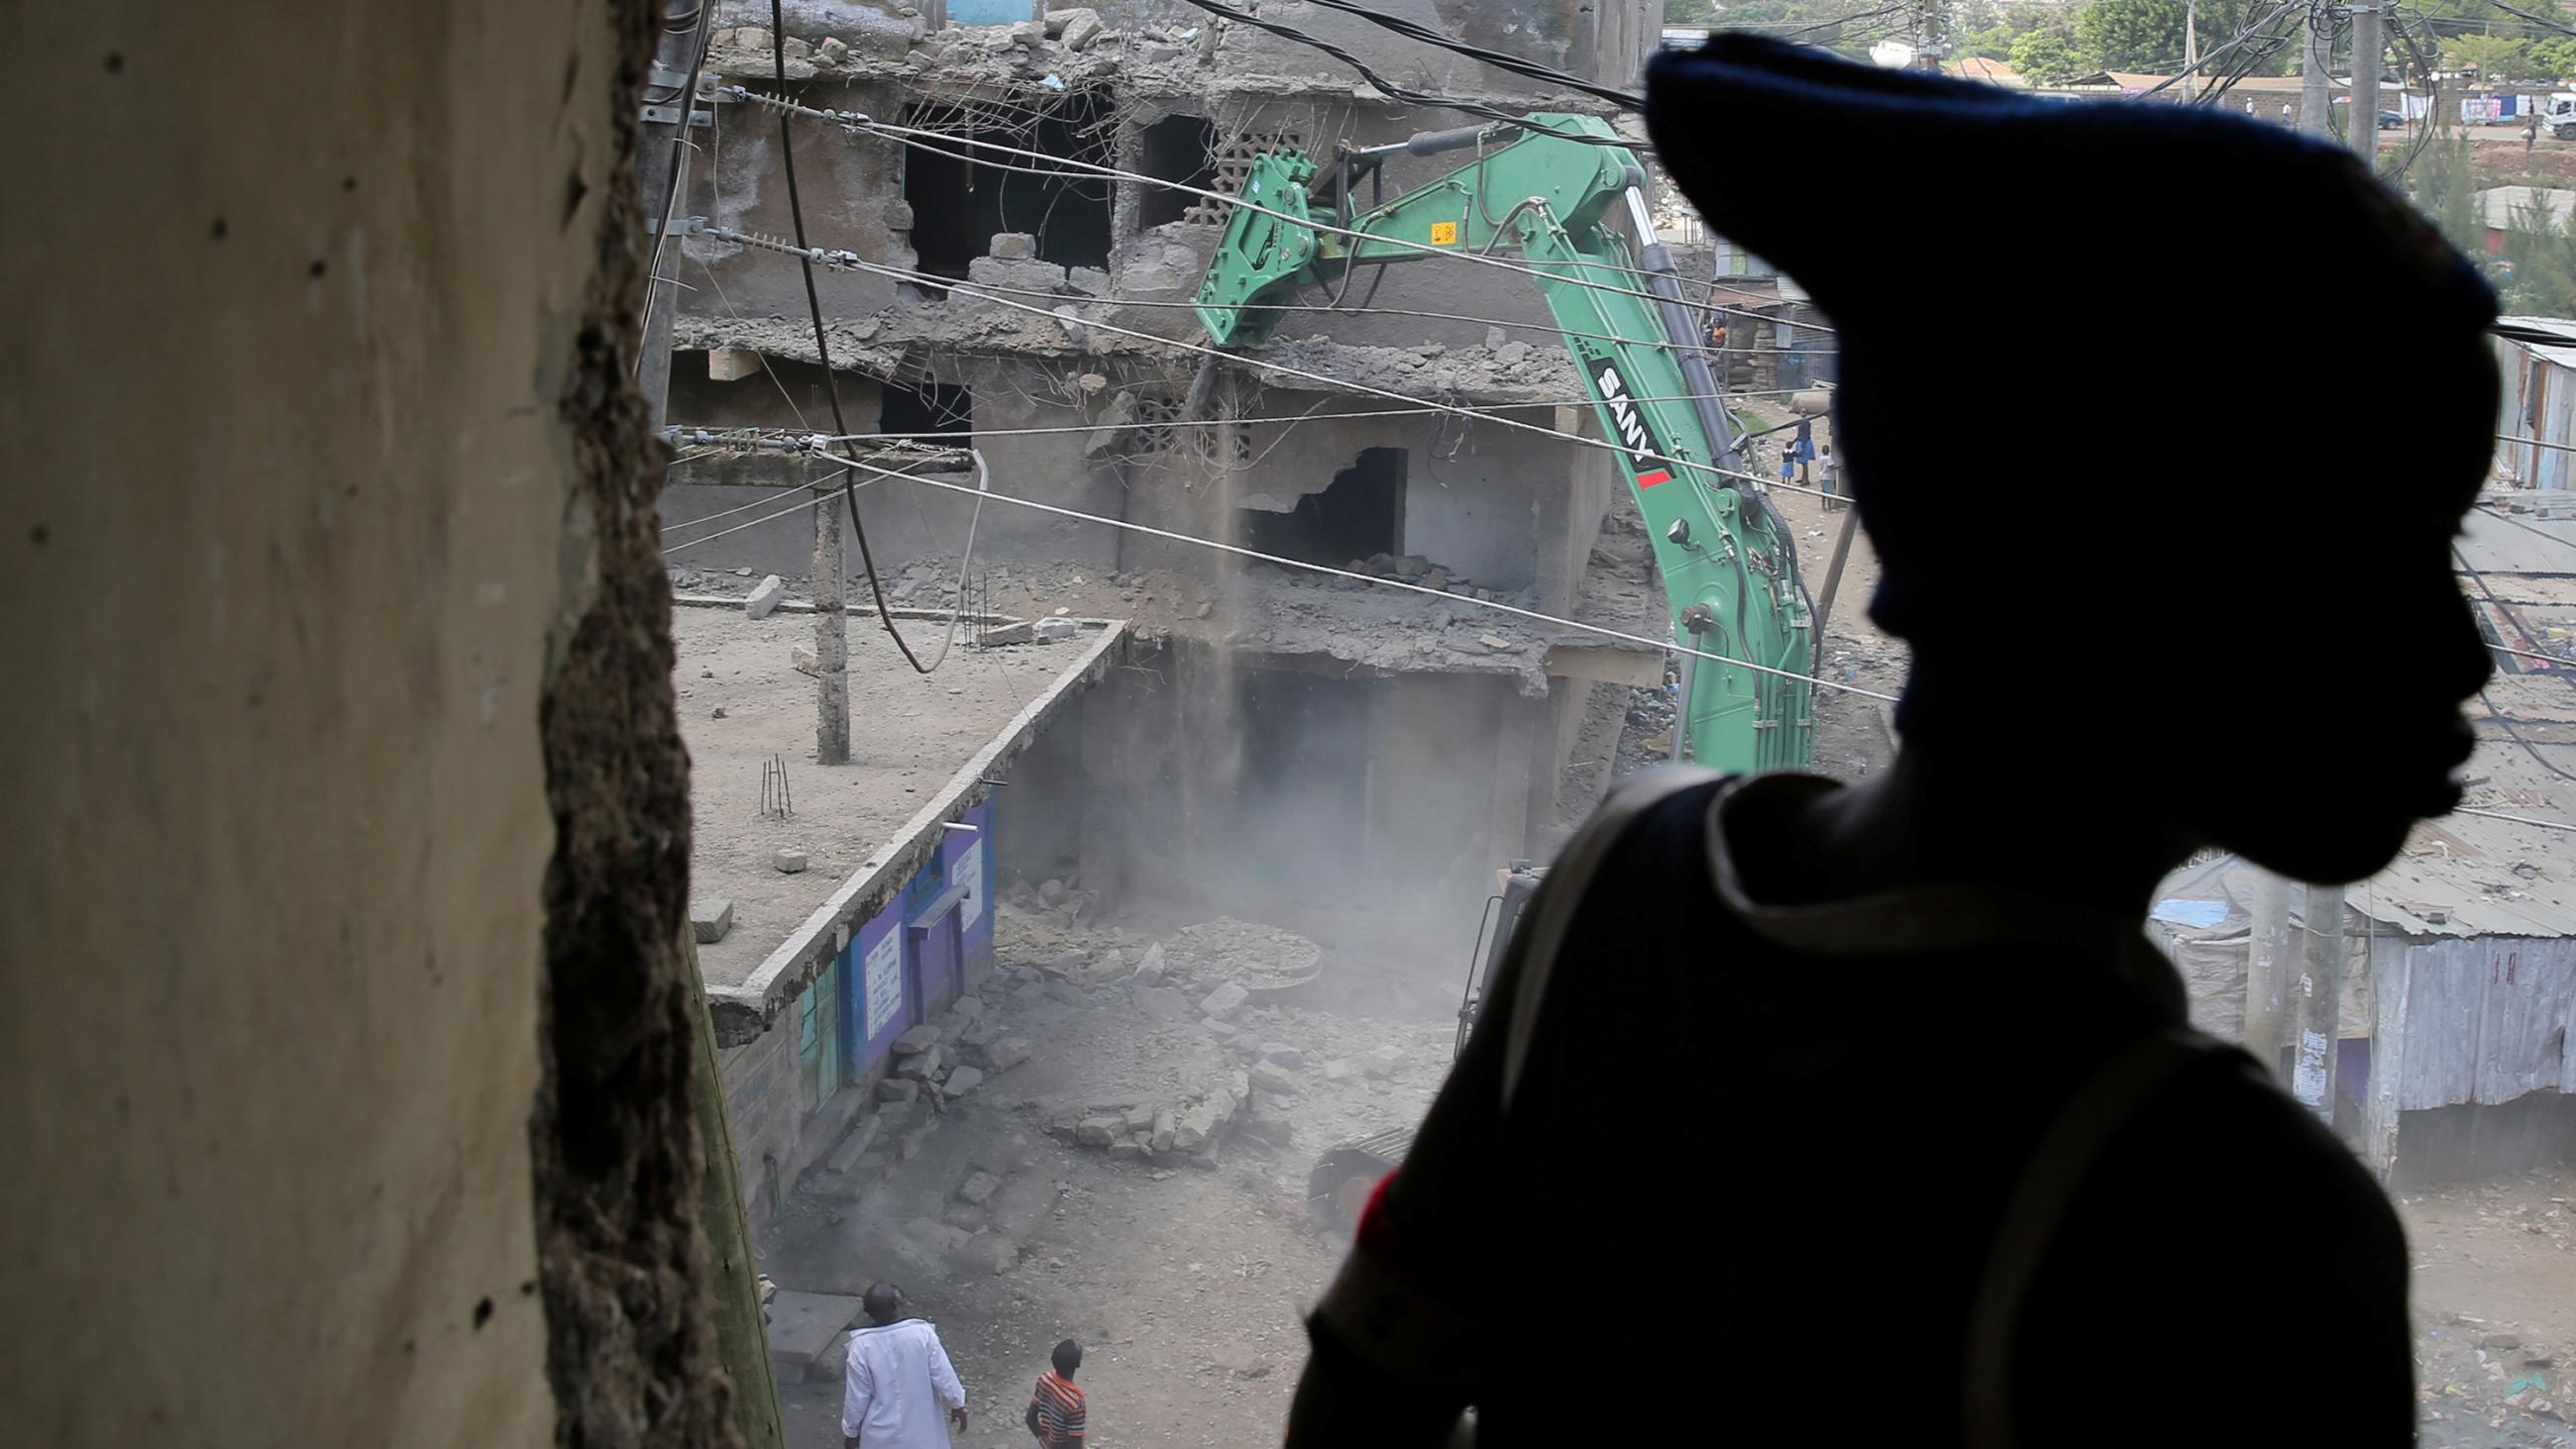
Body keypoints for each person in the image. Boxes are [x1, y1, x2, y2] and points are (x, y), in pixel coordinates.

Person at [1287, 34, 2496, 1449]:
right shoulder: (2239, 1220)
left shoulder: (1611, 892)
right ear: (2134, 573)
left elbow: (1368, 1395)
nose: (2464, 651)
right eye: (2388, 556)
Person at [843, 1284, 967, 1449]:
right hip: (922, 1431)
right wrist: (957, 1403)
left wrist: (851, 1432)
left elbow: (856, 1397)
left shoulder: (860, 1347)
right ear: (895, 1305)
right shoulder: (921, 1335)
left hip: (879, 1436)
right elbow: (943, 1375)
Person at [1024, 1338, 1088, 1448]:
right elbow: (1075, 1445)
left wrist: (1043, 1439)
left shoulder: (1044, 1379)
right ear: (1078, 1364)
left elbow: (1030, 1418)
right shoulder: (1075, 1403)